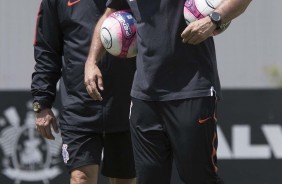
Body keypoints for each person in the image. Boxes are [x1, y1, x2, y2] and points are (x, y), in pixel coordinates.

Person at [85, 0, 252, 183]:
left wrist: (214, 19)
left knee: (200, 179)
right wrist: (92, 61)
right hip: (144, 96)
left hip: (192, 90)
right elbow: (111, 13)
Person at [31, 0, 136, 184]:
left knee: (124, 180)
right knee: (80, 178)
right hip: (79, 107)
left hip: (125, 105)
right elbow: (47, 51)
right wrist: (42, 102)